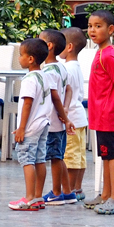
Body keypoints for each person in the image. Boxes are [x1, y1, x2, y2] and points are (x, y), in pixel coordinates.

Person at [85, 10, 114, 215]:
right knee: (105, 155)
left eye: (98, 26)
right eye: (90, 26)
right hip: (99, 113)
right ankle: (105, 195)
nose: (92, 30)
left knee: (112, 155)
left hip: (108, 112)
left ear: (110, 29)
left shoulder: (109, 56)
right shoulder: (100, 52)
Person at [8, 39, 51, 211]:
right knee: (40, 159)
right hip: (43, 124)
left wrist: (21, 128)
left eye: (21, 55)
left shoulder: (29, 80)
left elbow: (27, 104)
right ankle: (38, 196)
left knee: (27, 160)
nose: (19, 58)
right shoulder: (44, 76)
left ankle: (29, 198)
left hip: (31, 127)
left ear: (31, 59)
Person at [38, 29, 75, 206]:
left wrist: (62, 114)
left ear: (49, 46)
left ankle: (56, 192)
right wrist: (65, 110)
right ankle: (67, 192)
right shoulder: (61, 66)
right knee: (58, 157)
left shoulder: (48, 71)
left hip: (52, 122)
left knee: (54, 158)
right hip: (59, 121)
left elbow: (54, 96)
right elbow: (68, 89)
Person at [60, 27, 89, 201]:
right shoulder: (76, 67)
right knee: (79, 155)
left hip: (70, 117)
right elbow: (80, 95)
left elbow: (65, 95)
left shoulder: (66, 69)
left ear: (69, 47)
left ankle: (68, 189)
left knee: (69, 156)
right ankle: (77, 187)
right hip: (80, 116)